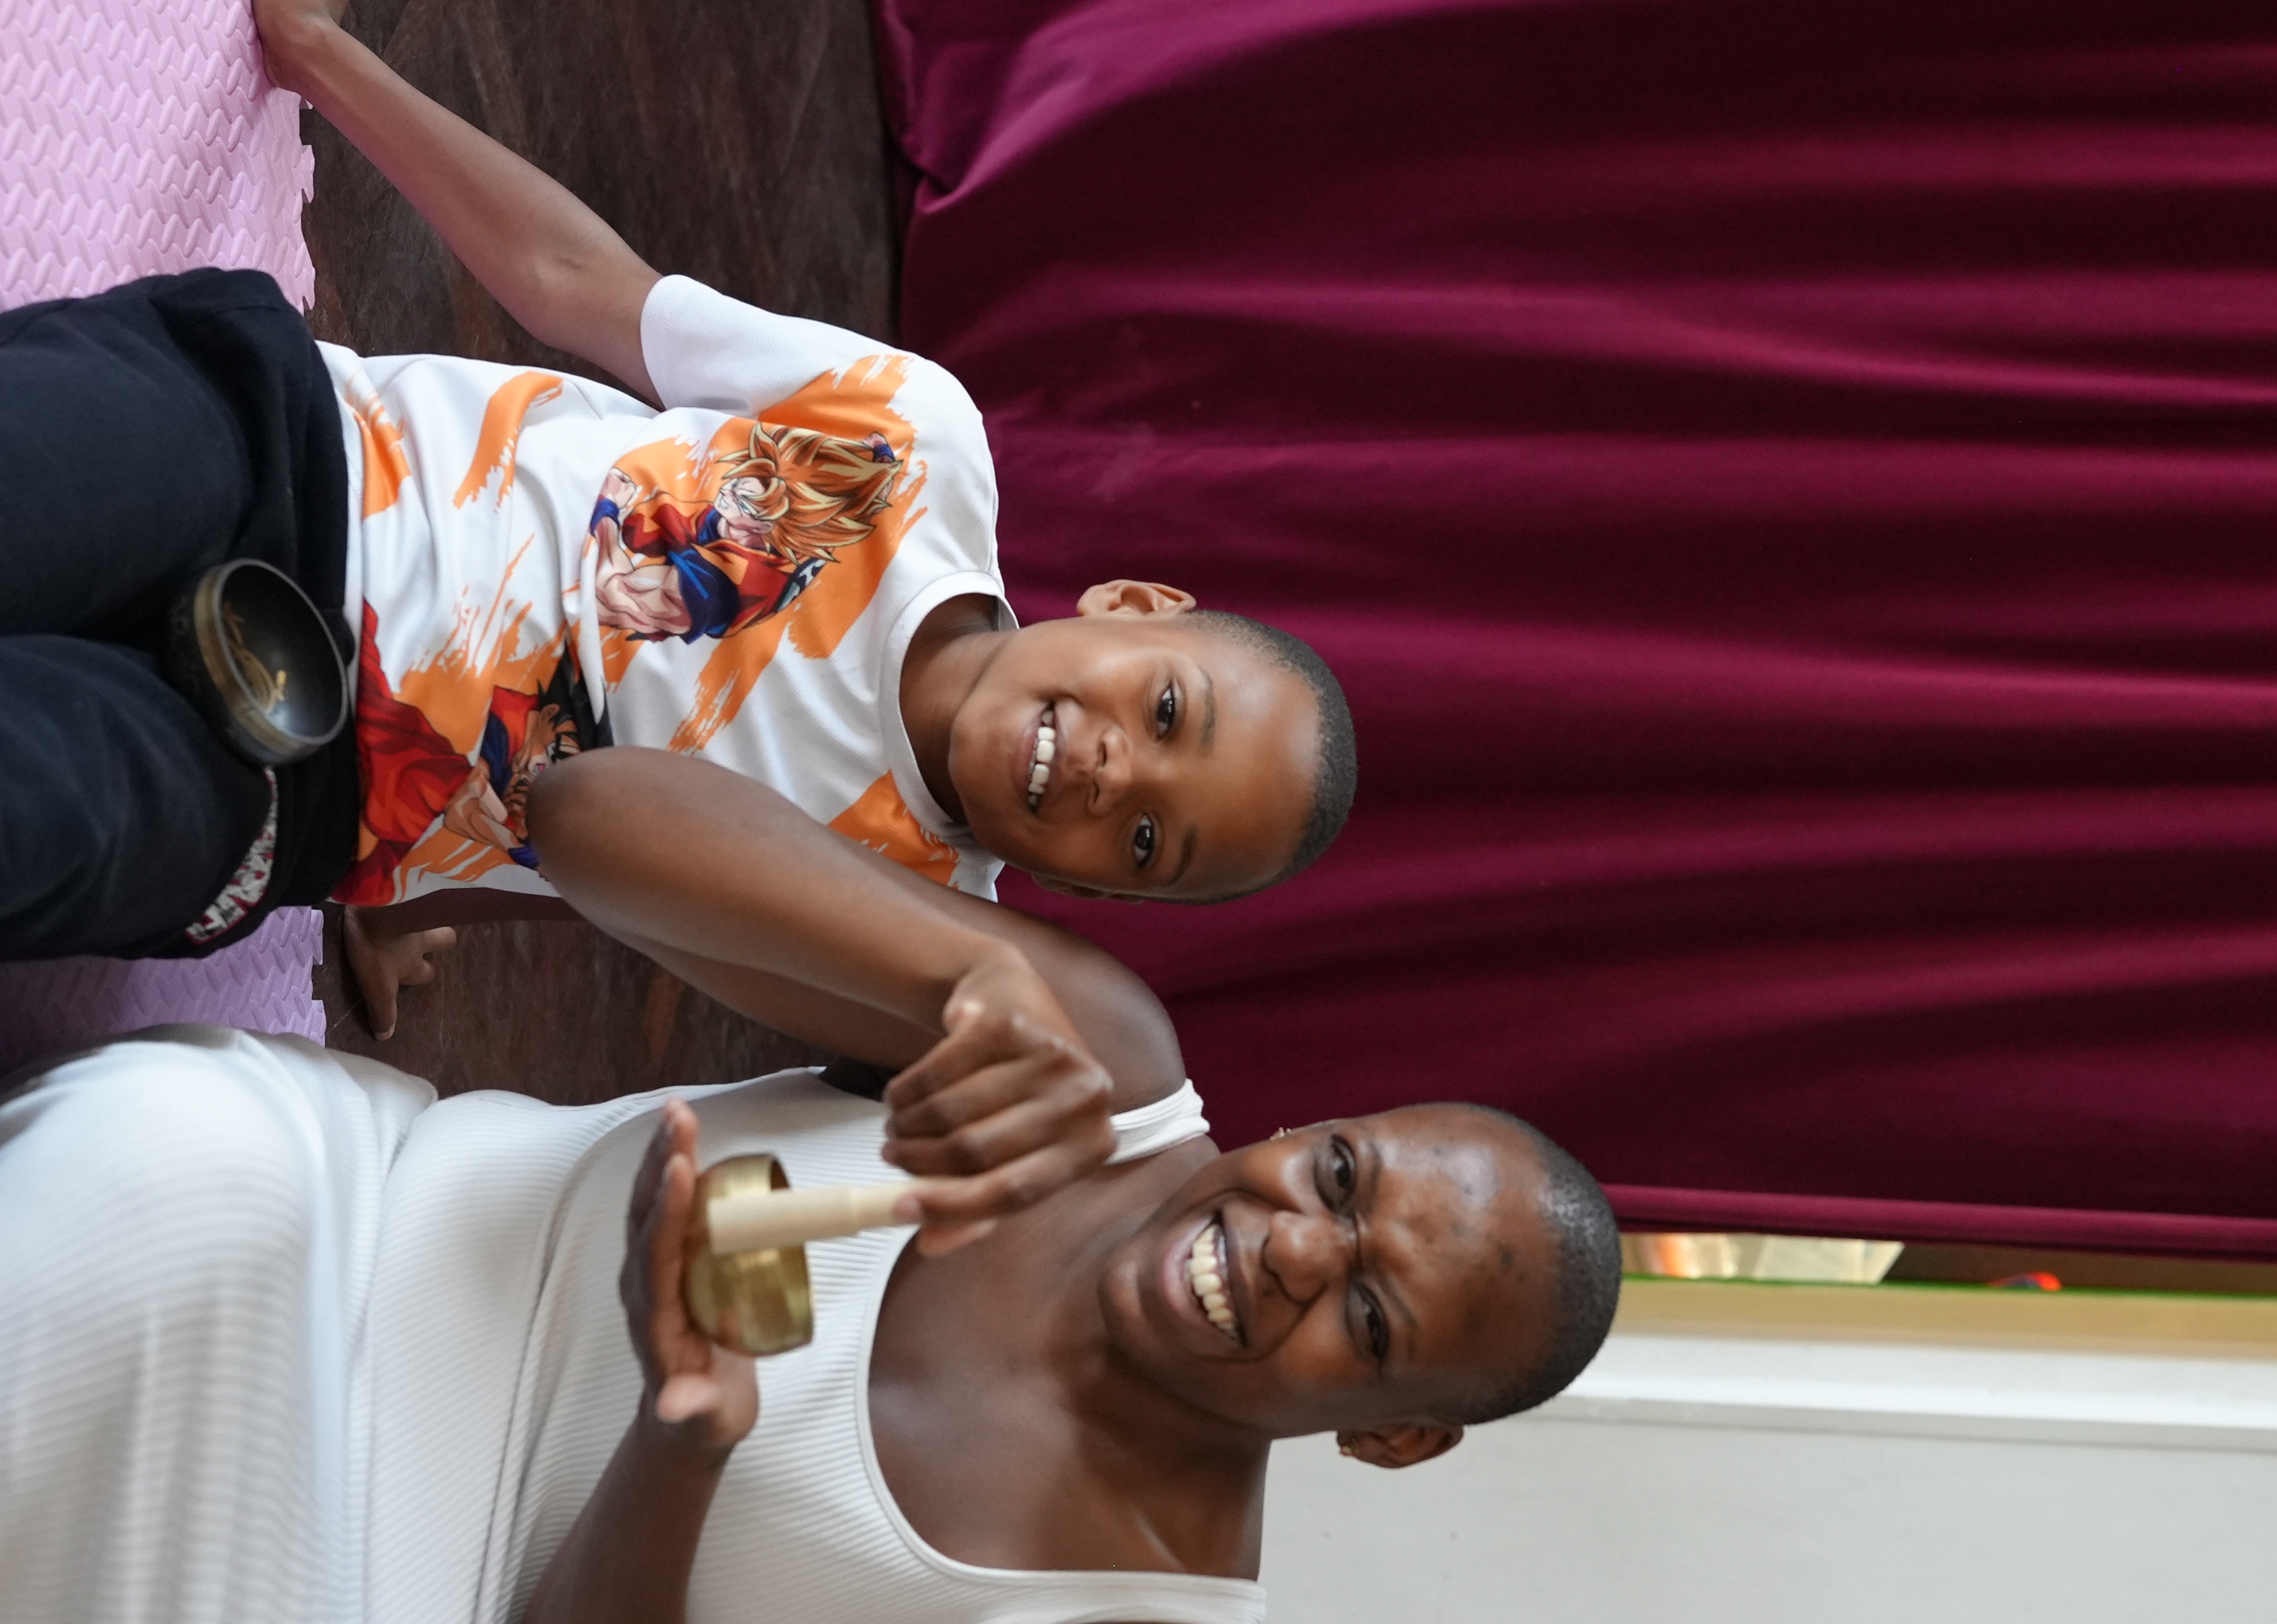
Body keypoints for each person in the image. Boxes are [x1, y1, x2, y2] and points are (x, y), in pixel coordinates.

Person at [0, 751, 1620, 1624]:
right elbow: (579, 814)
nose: (1285, 1249)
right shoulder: (1096, 1062)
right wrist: (955, 978)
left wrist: (685, 1441)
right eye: (1337, 1183)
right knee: (165, 1157)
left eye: (1372, 1318)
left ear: (1397, 1438)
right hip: (364, 1226)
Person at [0, 0, 1359, 1035]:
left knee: (37, 813)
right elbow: (580, 281)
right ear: (1134, 608)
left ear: (1106, 901)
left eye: (1145, 845)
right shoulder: (912, 441)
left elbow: (609, 878)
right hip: (285, 452)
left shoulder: (906, 917)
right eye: (1169, 713)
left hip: (297, 790)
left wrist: (391, 883)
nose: (1120, 773)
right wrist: (321, 60)